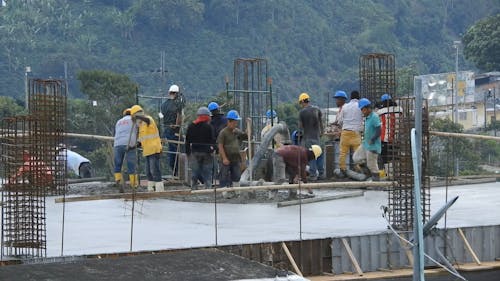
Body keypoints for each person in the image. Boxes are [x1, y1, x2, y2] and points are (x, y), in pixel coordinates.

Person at [131, 105, 164, 192]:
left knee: (155, 170)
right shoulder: (141, 126)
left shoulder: (148, 120)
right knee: (148, 172)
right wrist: (132, 147)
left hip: (154, 149)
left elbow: (147, 119)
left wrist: (137, 116)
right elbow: (140, 142)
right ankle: (151, 189)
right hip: (147, 151)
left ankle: (159, 189)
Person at [217, 110, 248, 196]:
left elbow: (246, 136)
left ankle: (237, 192)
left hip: (235, 158)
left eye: (236, 122)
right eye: (234, 122)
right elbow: (220, 146)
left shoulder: (236, 131)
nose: (236, 124)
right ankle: (224, 193)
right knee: (224, 175)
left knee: (236, 175)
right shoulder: (223, 133)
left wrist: (249, 125)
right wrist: (224, 158)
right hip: (226, 158)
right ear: (229, 121)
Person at [185, 107, 216, 189]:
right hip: (207, 153)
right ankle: (208, 187)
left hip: (195, 152)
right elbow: (213, 140)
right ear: (207, 116)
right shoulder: (209, 127)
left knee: (195, 171)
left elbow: (187, 140)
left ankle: (194, 187)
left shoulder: (191, 126)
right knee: (207, 171)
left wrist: (188, 152)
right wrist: (213, 150)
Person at [353, 98, 381, 181]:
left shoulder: (374, 117)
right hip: (365, 144)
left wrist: (373, 139)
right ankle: (367, 174)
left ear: (368, 108)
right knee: (356, 158)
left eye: (363, 110)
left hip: (373, 146)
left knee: (372, 164)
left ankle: (376, 182)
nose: (362, 112)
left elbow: (379, 130)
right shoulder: (367, 118)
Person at [298, 92, 324, 180]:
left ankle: (313, 175)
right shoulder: (317, 109)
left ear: (302, 101)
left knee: (312, 156)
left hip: (308, 138)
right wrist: (322, 132)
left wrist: (299, 137)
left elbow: (300, 127)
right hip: (317, 137)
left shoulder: (302, 112)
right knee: (319, 155)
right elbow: (321, 122)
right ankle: (321, 173)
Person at [160, 84, 184, 175]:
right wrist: (177, 125)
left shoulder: (164, 104)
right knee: (177, 149)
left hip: (166, 128)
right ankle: (176, 171)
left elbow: (161, 116)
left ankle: (173, 170)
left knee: (171, 149)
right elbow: (179, 116)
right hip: (174, 130)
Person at [338, 90, 363, 176]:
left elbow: (340, 120)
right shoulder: (360, 106)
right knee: (358, 153)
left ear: (350, 97)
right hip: (356, 133)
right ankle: (359, 169)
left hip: (345, 132)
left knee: (343, 152)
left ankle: (342, 169)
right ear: (358, 97)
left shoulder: (345, 106)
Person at [113, 108, 138, 191]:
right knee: (131, 165)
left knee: (118, 164)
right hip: (129, 143)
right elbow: (139, 130)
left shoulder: (118, 122)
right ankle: (134, 184)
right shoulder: (134, 120)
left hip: (117, 144)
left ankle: (118, 181)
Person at [377, 93, 402, 165]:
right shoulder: (400, 109)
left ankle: (388, 174)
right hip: (396, 138)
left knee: (385, 158)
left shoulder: (381, 112)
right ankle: (394, 173)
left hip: (385, 138)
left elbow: (378, 121)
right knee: (394, 156)